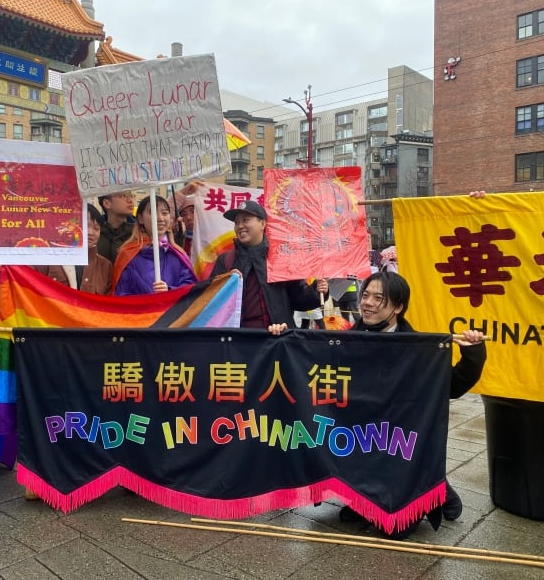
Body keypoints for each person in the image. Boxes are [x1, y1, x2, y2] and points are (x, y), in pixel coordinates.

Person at [339, 271, 487, 538]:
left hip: (402, 440)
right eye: (366, 296)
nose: (368, 303)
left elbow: (453, 386)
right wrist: (280, 338)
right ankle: (362, 496)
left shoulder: (419, 347)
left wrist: (472, 351)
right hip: (361, 437)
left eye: (378, 298)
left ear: (398, 307)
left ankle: (434, 486)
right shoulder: (346, 341)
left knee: (396, 529)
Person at [209, 200, 328, 330]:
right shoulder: (226, 260)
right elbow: (211, 302)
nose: (240, 226)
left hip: (276, 339)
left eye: (246, 220)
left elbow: (298, 299)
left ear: (262, 223)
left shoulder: (280, 258)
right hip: (237, 341)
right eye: (237, 222)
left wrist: (317, 290)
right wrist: (225, 284)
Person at [112, 195, 197, 295]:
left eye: (165, 213)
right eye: (153, 212)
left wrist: (170, 291)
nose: (160, 218)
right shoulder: (128, 255)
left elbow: (190, 287)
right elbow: (122, 295)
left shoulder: (177, 254)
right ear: (140, 218)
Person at [35, 204, 113, 295]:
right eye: (85, 226)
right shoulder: (47, 259)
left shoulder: (105, 266)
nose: (91, 232)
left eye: (96, 228)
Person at [96, 190, 135, 263]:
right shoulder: (95, 234)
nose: (130, 200)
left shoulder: (139, 234)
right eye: (122, 196)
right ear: (107, 203)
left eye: (131, 196)